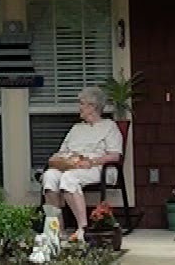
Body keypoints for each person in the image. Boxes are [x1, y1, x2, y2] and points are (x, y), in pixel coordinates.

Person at [40, 86, 123, 241]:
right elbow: (62, 151)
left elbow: (114, 156)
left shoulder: (109, 126)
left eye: (82, 103)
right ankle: (57, 228)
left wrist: (91, 161)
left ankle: (82, 228)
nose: (79, 107)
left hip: (99, 167)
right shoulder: (76, 128)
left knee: (69, 178)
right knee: (49, 176)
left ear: (93, 107)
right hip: (72, 166)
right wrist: (59, 160)